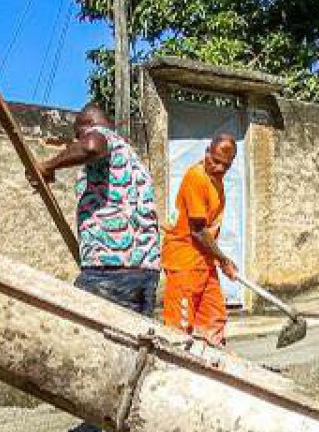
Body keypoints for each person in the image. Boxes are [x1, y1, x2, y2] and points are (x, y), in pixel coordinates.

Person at [37, 104, 162, 316]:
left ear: (88, 126)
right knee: (132, 343)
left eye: (78, 136)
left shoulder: (102, 137)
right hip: (144, 271)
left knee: (81, 333)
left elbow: (92, 146)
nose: (78, 142)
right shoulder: (131, 158)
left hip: (111, 272)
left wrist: (48, 166)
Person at [160, 134, 241, 347]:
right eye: (215, 161)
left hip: (205, 260)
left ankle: (214, 365)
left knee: (215, 317)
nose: (219, 168)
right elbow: (197, 230)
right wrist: (224, 260)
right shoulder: (196, 177)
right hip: (184, 262)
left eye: (226, 164)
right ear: (207, 152)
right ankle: (176, 370)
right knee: (180, 325)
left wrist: (218, 259)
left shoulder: (217, 181)